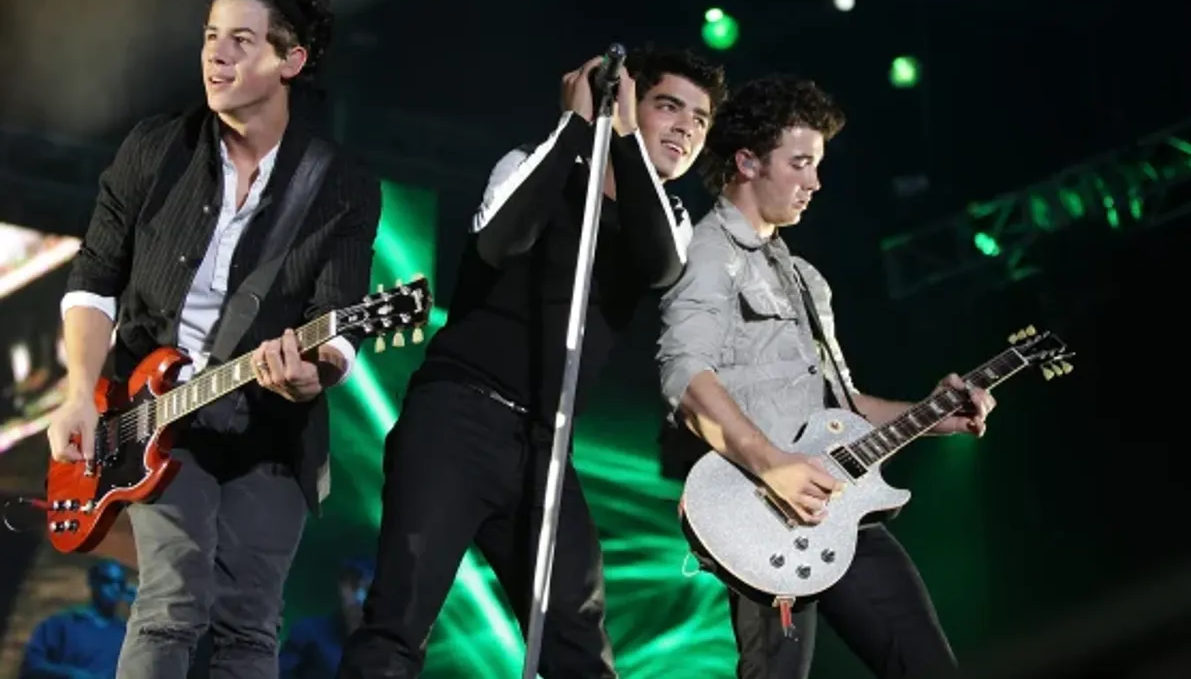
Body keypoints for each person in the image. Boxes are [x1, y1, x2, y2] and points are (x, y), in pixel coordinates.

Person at [44, 0, 382, 679]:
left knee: (250, 626)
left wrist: (314, 373)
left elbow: (340, 317)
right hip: (152, 416)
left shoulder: (340, 182)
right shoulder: (155, 149)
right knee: (172, 602)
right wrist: (76, 394)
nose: (216, 56)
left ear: (290, 61)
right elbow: (94, 281)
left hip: (271, 430)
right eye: (210, 36)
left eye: (242, 41)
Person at [336, 48, 727, 678]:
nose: (686, 127)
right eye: (668, 107)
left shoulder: (671, 219)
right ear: (628, 104)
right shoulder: (529, 163)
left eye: (700, 119)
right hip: (457, 417)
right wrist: (579, 127)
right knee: (399, 619)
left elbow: (659, 266)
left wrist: (625, 139)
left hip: (546, 445)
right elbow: (499, 241)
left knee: (578, 640)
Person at [656, 74, 997, 679]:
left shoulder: (804, 278)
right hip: (761, 519)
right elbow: (684, 375)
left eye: (817, 164)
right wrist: (773, 466)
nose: (814, 182)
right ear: (747, 163)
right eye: (800, 164)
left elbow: (843, 408)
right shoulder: (709, 253)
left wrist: (932, 414)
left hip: (840, 508)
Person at [19, 559, 131, 679]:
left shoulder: (126, 634)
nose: (115, 588)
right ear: (93, 582)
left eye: (120, 584)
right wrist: (70, 674)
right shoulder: (62, 624)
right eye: (107, 581)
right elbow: (32, 664)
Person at [280, 559, 375, 679]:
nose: (358, 598)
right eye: (352, 586)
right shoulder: (307, 632)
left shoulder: (386, 647)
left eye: (368, 590)